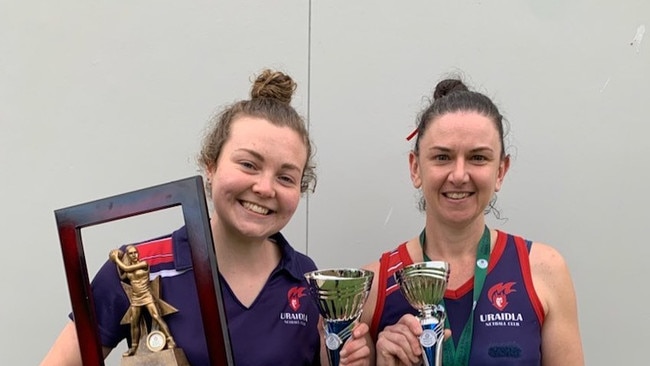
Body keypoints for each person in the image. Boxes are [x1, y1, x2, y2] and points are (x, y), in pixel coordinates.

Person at [41, 69, 371, 366]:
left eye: (286, 177)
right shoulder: (135, 268)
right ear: (210, 166)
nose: (264, 187)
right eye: (248, 164)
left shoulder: (306, 279)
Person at [359, 78, 584, 365]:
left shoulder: (543, 270)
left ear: (501, 170)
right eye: (442, 157)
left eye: (478, 158)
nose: (459, 175)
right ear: (416, 168)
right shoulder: (374, 285)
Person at [109, 245, 177, 356]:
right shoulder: (129, 269)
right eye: (131, 253)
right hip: (136, 298)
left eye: (135, 252)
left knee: (156, 316)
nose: (134, 255)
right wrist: (116, 261)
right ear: (128, 255)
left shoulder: (143, 264)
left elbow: (126, 269)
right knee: (134, 322)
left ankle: (170, 340)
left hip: (147, 295)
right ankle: (134, 347)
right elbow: (122, 276)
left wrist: (116, 258)